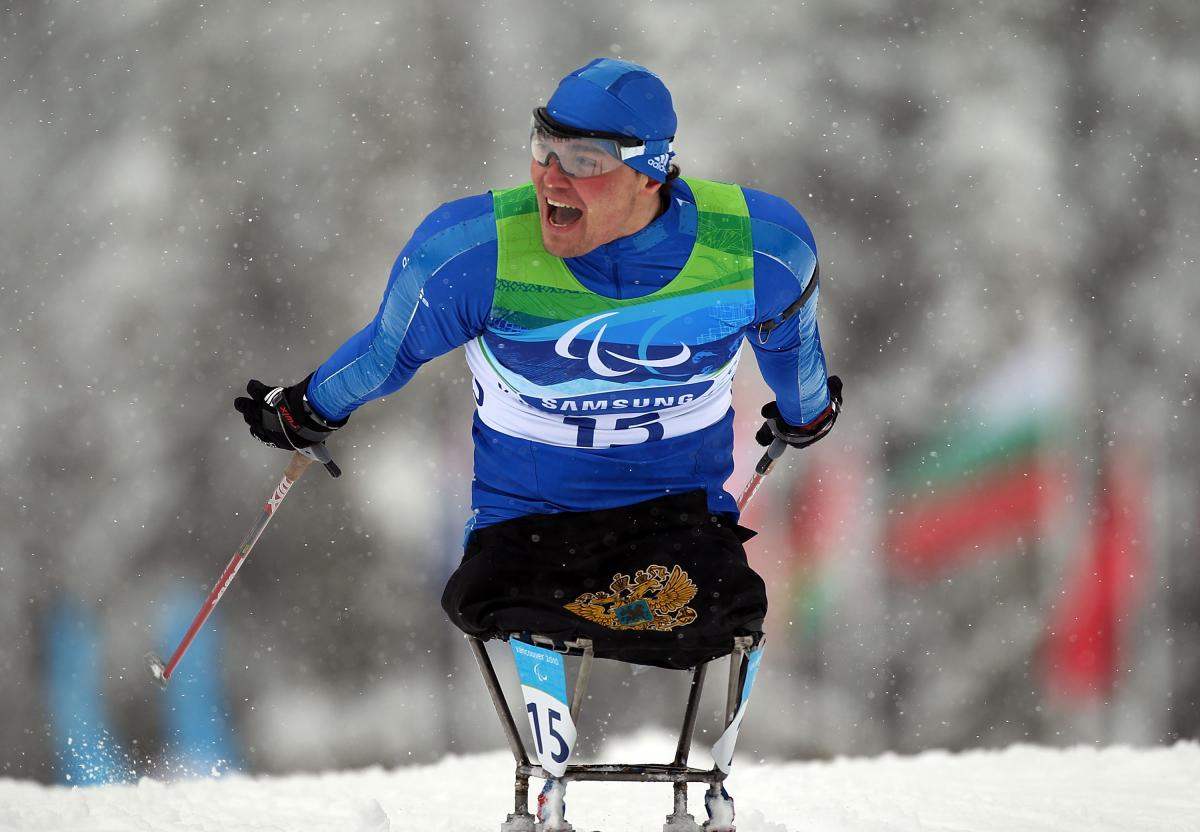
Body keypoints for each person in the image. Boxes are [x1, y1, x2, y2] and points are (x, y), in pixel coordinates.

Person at [236, 52, 840, 713]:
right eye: (543, 148)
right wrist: (304, 409)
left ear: (649, 174)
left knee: (734, 607)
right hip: (526, 528)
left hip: (679, 526)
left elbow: (795, 354)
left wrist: (806, 413)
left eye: (583, 162)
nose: (551, 178)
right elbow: (387, 353)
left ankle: (706, 785)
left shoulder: (759, 249)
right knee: (494, 598)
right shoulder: (474, 254)